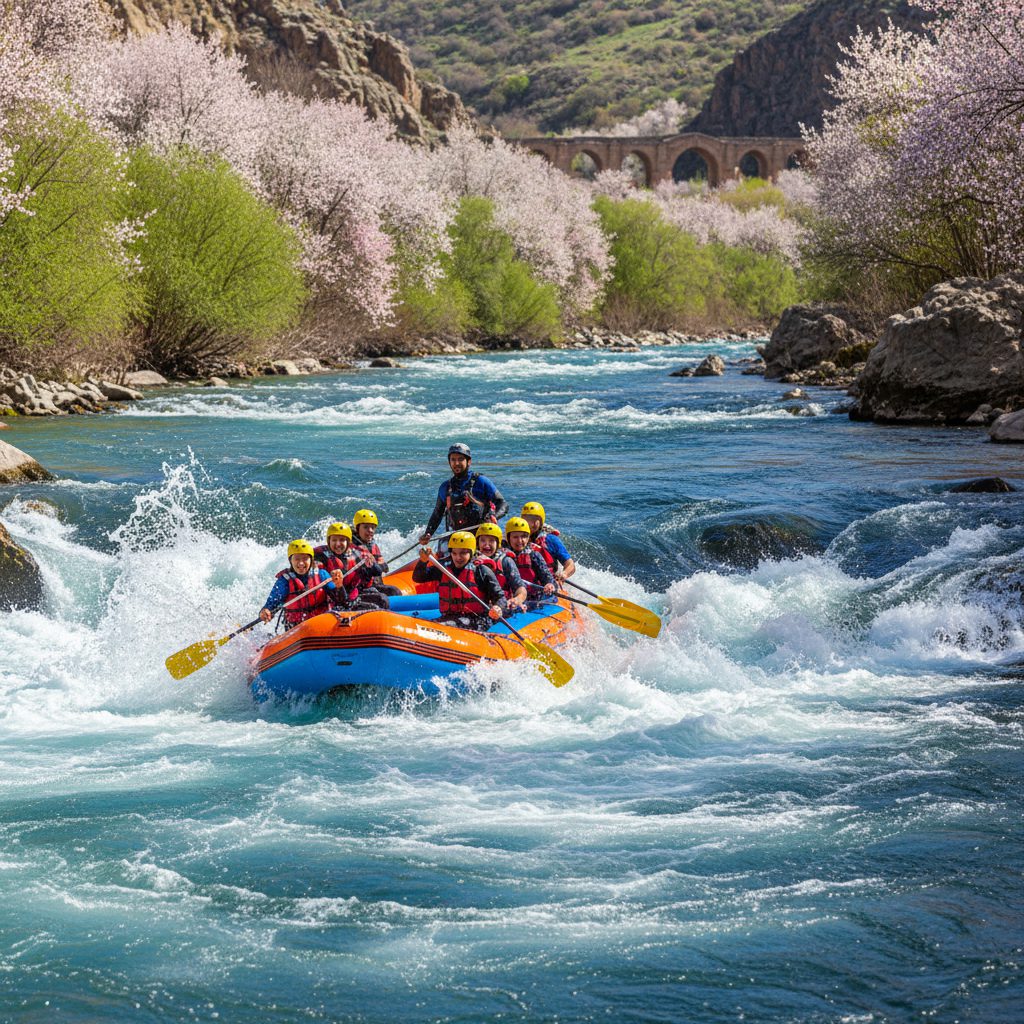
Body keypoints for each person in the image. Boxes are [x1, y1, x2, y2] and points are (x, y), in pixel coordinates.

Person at [411, 530, 506, 631]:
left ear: (471, 552)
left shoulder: (481, 571)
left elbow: (500, 597)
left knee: (447, 625)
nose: (458, 557)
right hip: (450, 617)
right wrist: (423, 561)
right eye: (454, 553)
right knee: (430, 626)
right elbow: (418, 578)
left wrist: (498, 607)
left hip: (478, 620)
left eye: (463, 553)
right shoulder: (443, 568)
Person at [418, 443, 509, 546]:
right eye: (453, 459)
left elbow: (503, 504)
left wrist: (494, 516)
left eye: (460, 459)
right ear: (449, 462)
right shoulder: (445, 487)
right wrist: (428, 533)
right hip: (458, 538)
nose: (456, 463)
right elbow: (437, 514)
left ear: (469, 461)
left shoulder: (481, 481)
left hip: (481, 538)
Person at [260, 539, 345, 628]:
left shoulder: (322, 575)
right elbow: (270, 606)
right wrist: (265, 612)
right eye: (297, 559)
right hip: (296, 629)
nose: (301, 563)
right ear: (290, 561)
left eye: (305, 559)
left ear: (311, 560)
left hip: (321, 624)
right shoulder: (284, 581)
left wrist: (339, 586)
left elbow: (341, 601)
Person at [350, 508, 402, 607]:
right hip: (358, 590)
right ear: (357, 528)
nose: (370, 530)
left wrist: (377, 565)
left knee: (395, 591)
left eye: (373, 527)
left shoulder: (372, 545)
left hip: (374, 585)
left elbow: (385, 568)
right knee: (382, 599)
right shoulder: (351, 547)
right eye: (366, 527)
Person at [473, 521, 528, 613]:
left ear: (498, 543)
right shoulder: (471, 561)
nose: (487, 545)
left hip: (502, 607)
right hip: (479, 606)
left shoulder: (506, 561)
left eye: (491, 541)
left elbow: (520, 587)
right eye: (482, 540)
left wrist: (518, 599)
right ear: (477, 543)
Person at [503, 516, 556, 604]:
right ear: (508, 538)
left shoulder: (534, 555)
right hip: (512, 600)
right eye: (515, 537)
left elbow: (547, 577)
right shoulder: (502, 558)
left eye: (524, 536)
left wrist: (549, 584)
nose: (520, 541)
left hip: (535, 598)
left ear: (528, 538)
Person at [520, 501, 576, 580]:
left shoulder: (551, 540)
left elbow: (570, 564)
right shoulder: (516, 538)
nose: (530, 523)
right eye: (526, 519)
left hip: (548, 582)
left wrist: (564, 574)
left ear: (541, 521)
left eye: (534, 520)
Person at [313, 522, 361, 606]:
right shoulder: (320, 555)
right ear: (329, 541)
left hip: (352, 596)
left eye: (342, 540)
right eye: (334, 540)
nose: (338, 544)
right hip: (332, 600)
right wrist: (315, 567)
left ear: (348, 542)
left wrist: (371, 566)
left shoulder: (356, 554)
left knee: (383, 598)